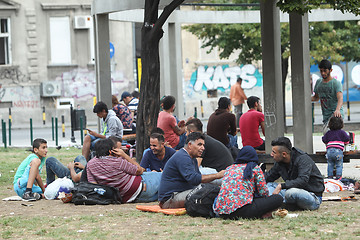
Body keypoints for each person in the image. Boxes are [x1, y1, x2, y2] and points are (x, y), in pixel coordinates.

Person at [158, 132, 224, 209]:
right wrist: (217, 175)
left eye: (203, 145)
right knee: (207, 193)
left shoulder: (192, 159)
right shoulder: (183, 157)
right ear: (189, 145)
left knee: (212, 190)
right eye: (199, 144)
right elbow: (194, 179)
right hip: (170, 199)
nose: (203, 148)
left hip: (180, 194)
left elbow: (199, 180)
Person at [214, 146, 283, 219]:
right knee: (278, 198)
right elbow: (263, 192)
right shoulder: (254, 168)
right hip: (243, 210)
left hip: (223, 212)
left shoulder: (229, 168)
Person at [86, 138, 161, 203]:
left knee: (158, 192)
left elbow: (94, 185)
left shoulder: (90, 164)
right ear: (111, 151)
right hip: (139, 187)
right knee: (163, 175)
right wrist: (125, 155)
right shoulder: (117, 161)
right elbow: (139, 170)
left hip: (123, 197)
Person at [265, 137, 325, 211]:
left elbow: (302, 181)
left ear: (284, 154)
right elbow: (268, 177)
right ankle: (278, 204)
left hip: (312, 196)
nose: (271, 154)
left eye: (274, 152)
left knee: (291, 193)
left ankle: (280, 204)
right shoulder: (279, 163)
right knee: (268, 185)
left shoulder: (303, 159)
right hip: (290, 193)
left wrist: (282, 185)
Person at [311, 59, 344, 133]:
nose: (323, 73)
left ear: (330, 70)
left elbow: (340, 98)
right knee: (328, 139)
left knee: (331, 137)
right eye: (321, 71)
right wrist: (305, 98)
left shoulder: (335, 83)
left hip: (336, 116)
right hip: (326, 116)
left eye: (325, 71)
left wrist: (337, 110)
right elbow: (316, 98)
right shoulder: (319, 82)